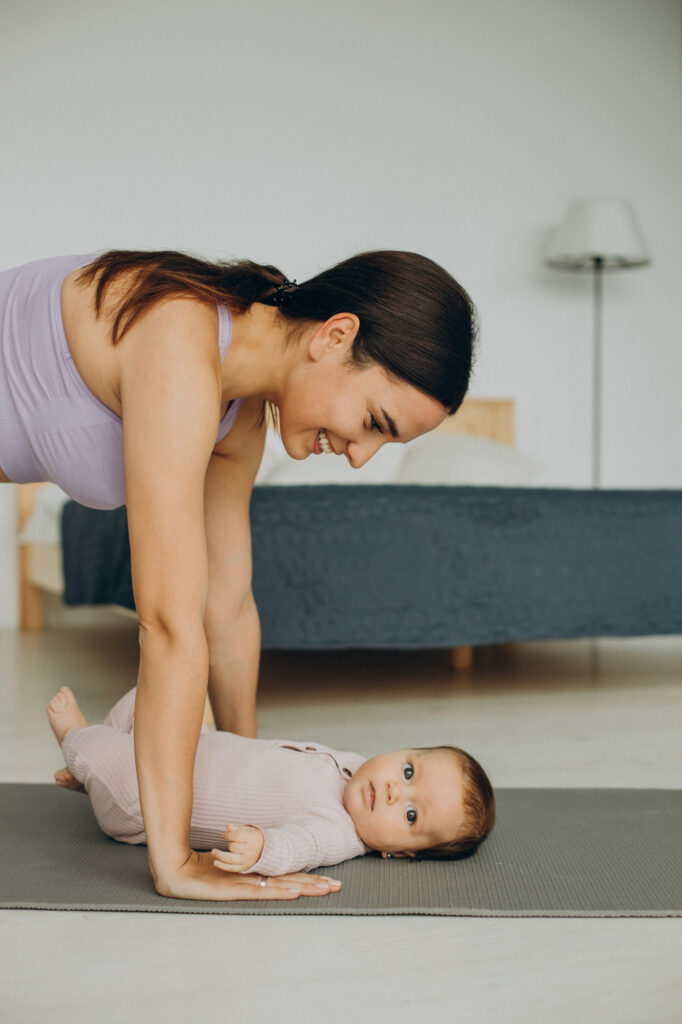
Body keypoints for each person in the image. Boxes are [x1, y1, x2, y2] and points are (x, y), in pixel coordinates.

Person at [1, 247, 477, 900]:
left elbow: (225, 605)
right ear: (335, 336)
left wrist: (245, 775)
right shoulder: (179, 344)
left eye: (384, 444)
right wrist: (173, 862)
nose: (362, 457)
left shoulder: (239, 407)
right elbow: (167, 621)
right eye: (373, 422)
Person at [47, 685, 496, 880]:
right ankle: (96, 771)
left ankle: (78, 742)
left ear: (398, 852)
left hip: (142, 802)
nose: (397, 791)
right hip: (190, 747)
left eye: (411, 815)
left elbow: (299, 849)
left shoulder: (337, 833)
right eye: (409, 771)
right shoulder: (360, 771)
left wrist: (262, 848)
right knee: (175, 688)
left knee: (102, 754)